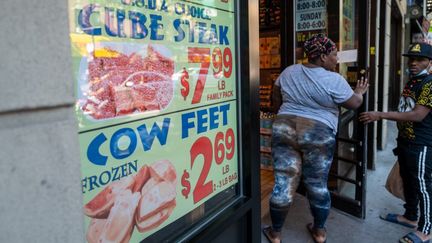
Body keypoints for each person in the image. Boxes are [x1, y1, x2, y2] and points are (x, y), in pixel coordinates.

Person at [262, 33, 369, 243]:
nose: (336, 59)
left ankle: (275, 234)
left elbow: (275, 98)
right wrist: (359, 91)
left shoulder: (289, 71)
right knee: (317, 183)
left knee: (283, 181)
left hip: (285, 127)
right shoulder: (334, 79)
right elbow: (354, 104)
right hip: (318, 133)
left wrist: (284, 116)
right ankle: (319, 232)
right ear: (322, 57)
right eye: (334, 54)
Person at [359, 43, 432, 243]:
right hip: (405, 142)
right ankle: (410, 217)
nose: (414, 63)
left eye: (420, 60)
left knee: (423, 186)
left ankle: (426, 229)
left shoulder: (429, 83)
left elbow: (417, 115)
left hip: (421, 144)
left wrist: (379, 114)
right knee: (409, 181)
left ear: (430, 63)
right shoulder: (412, 82)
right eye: (412, 59)